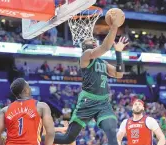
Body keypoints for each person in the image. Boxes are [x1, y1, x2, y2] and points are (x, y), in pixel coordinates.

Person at [53, 13, 129, 145]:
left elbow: (119, 74)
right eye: (89, 39)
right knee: (68, 139)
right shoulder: (86, 56)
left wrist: (118, 52)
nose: (93, 39)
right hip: (87, 101)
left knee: (111, 130)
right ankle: (40, 138)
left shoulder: (102, 62)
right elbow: (105, 47)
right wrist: (114, 26)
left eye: (93, 38)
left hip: (103, 103)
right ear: (84, 46)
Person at [0, 78, 55, 145]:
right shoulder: (42, 107)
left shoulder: (5, 110)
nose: (30, 88)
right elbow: (50, 133)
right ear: (25, 90)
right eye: (28, 86)